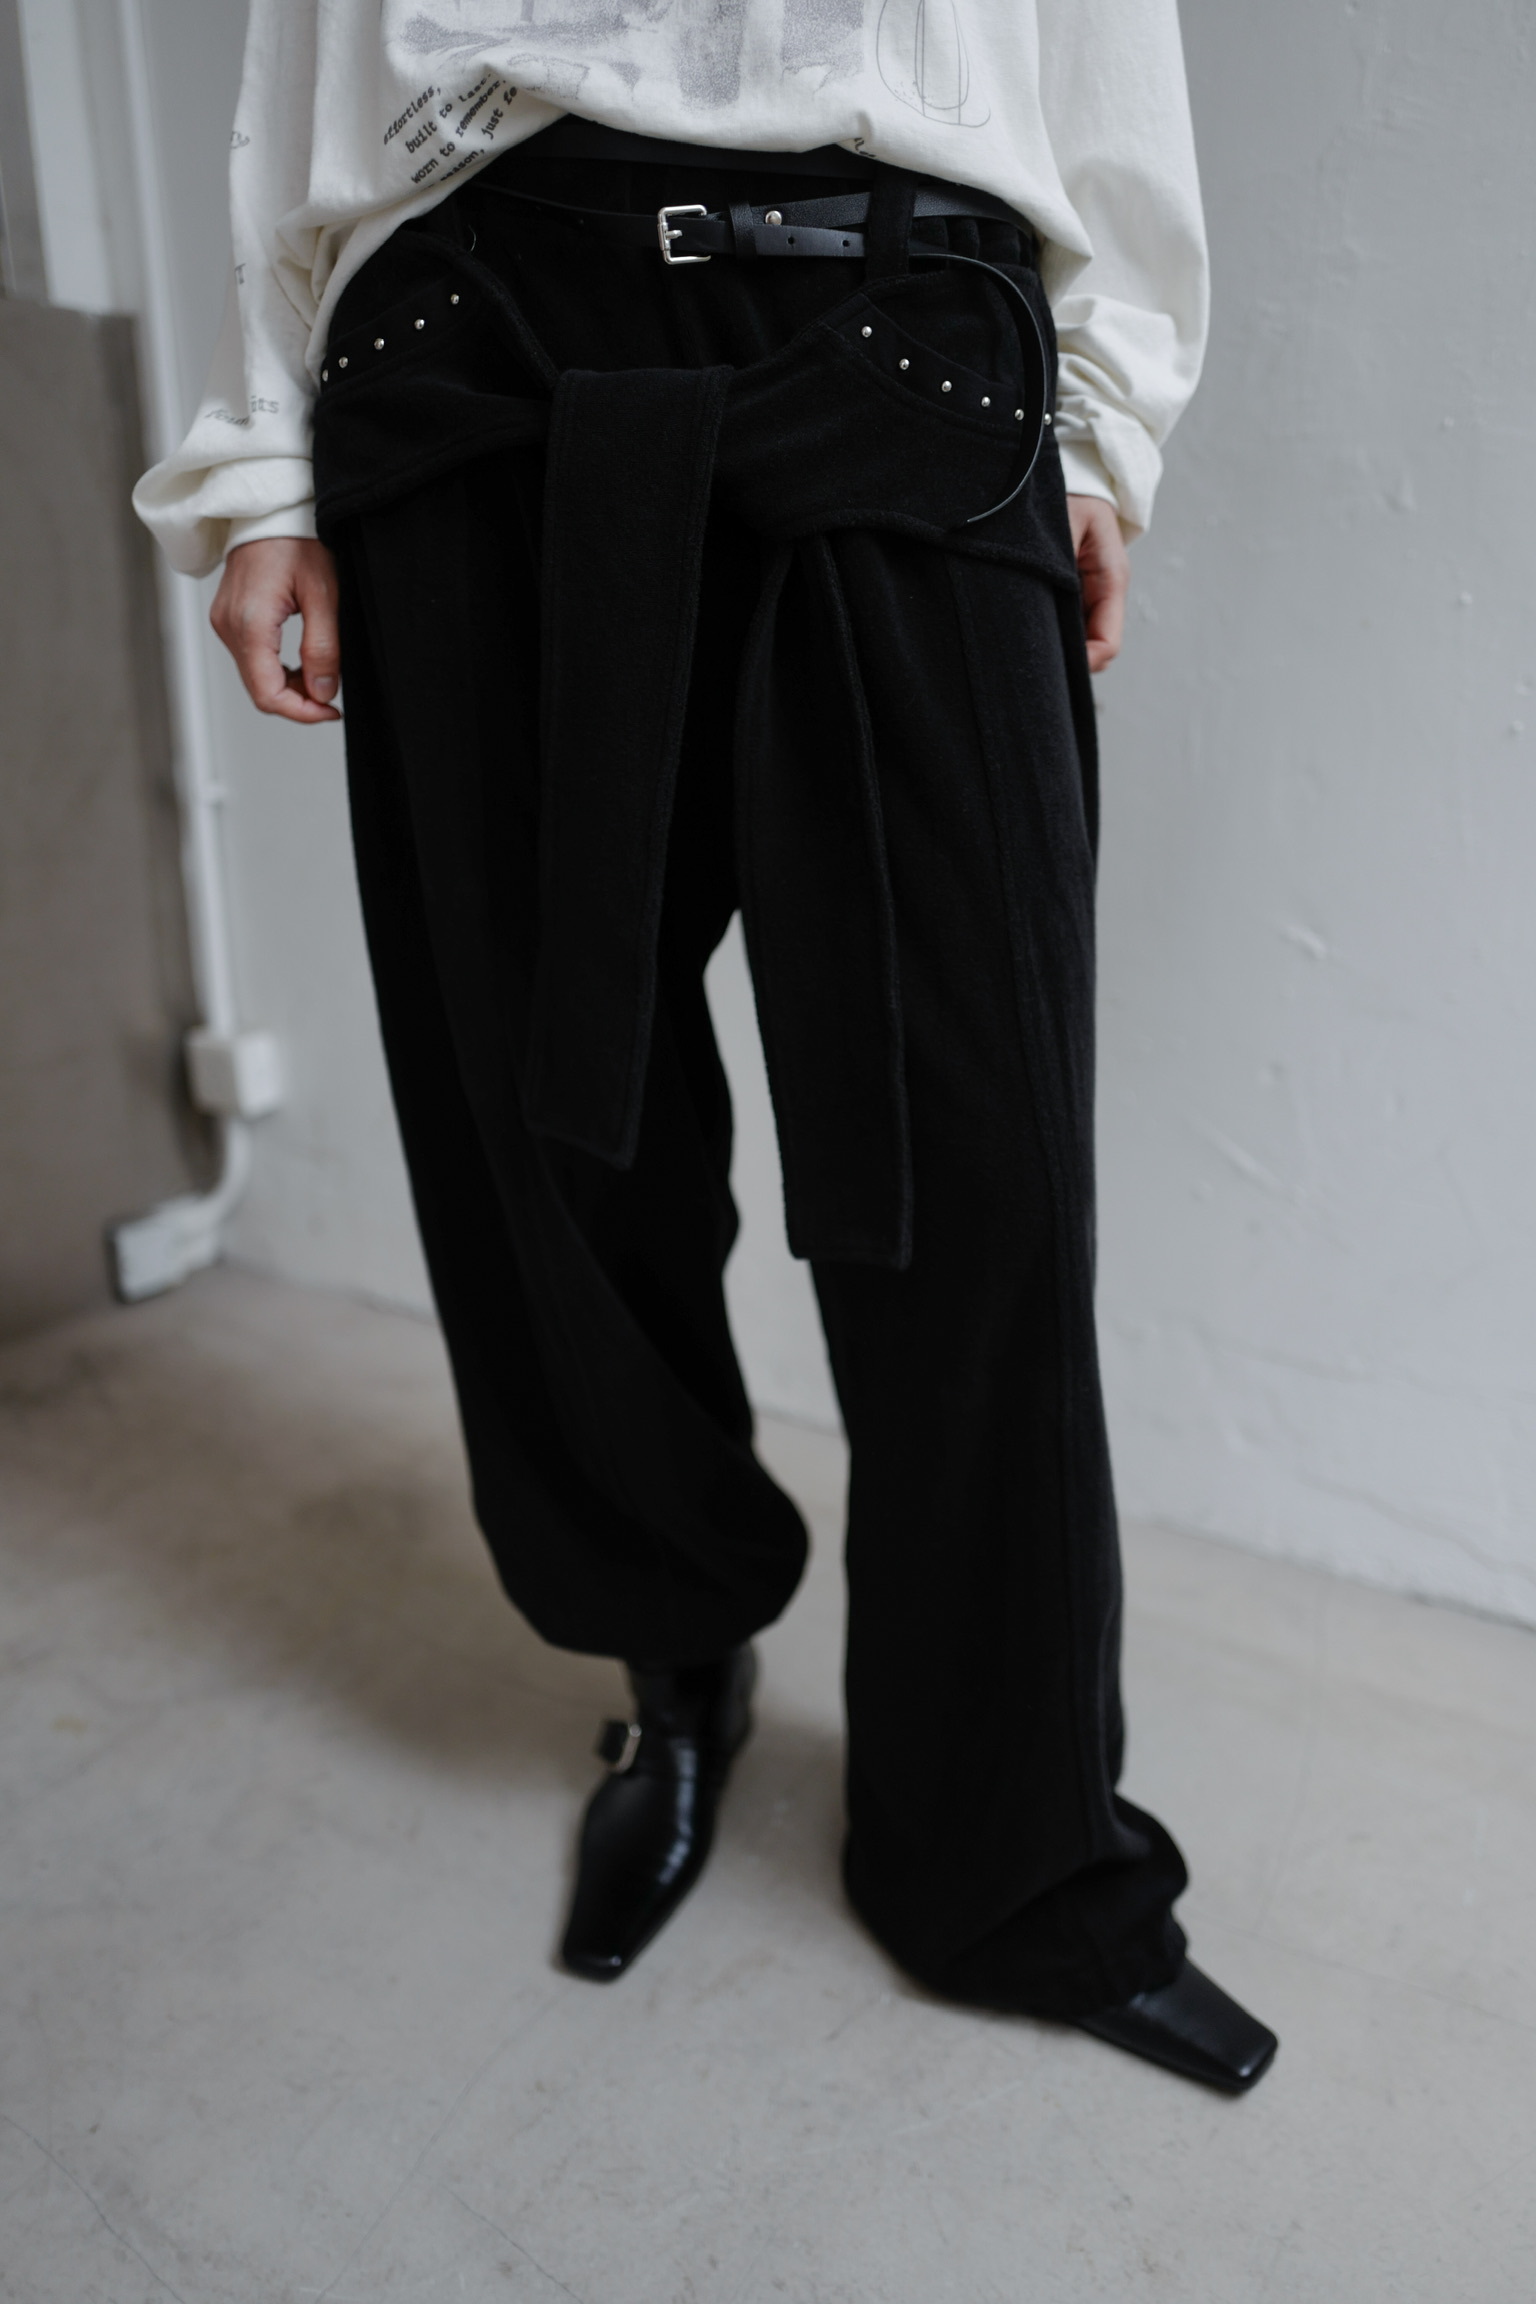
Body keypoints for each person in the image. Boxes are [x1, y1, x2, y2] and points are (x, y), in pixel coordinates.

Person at [137, 0, 1277, 2092]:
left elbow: (1102, 41)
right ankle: (677, 1670)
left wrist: (1099, 421)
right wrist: (265, 461)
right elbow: (303, 54)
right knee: (551, 1134)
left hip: (909, 327)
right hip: (476, 352)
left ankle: (1007, 1844)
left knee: (981, 1155)